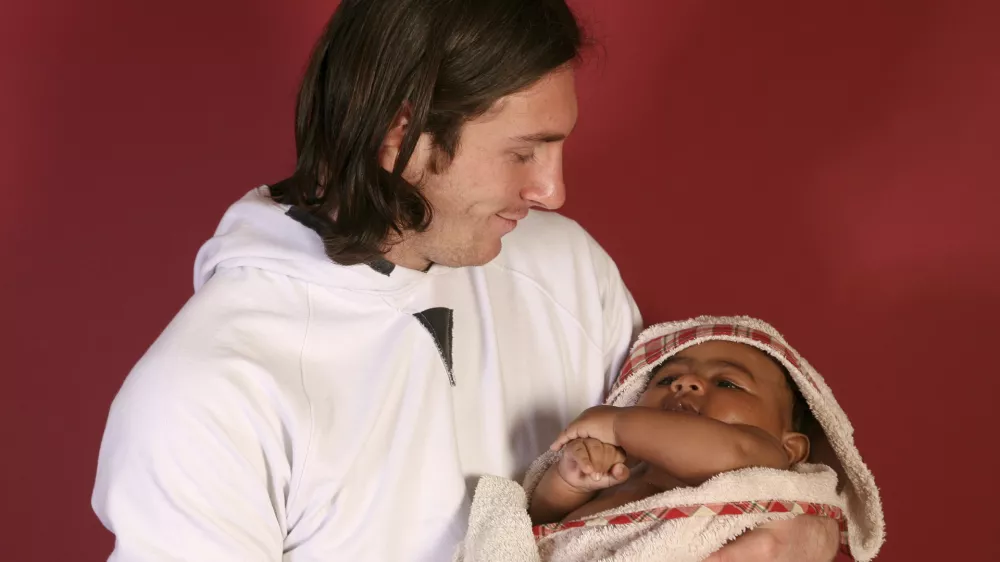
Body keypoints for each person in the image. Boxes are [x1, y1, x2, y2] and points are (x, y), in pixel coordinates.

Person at [91, 1, 839, 560]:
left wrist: (796, 528)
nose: (552, 191)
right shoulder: (205, 397)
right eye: (524, 152)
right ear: (399, 133)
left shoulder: (566, 267)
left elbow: (703, 492)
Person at [529, 340, 812, 524]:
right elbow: (540, 522)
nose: (685, 382)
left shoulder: (766, 457)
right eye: (667, 379)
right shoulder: (621, 468)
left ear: (791, 450)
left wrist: (618, 425)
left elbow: (737, 452)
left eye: (727, 383)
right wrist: (573, 481)